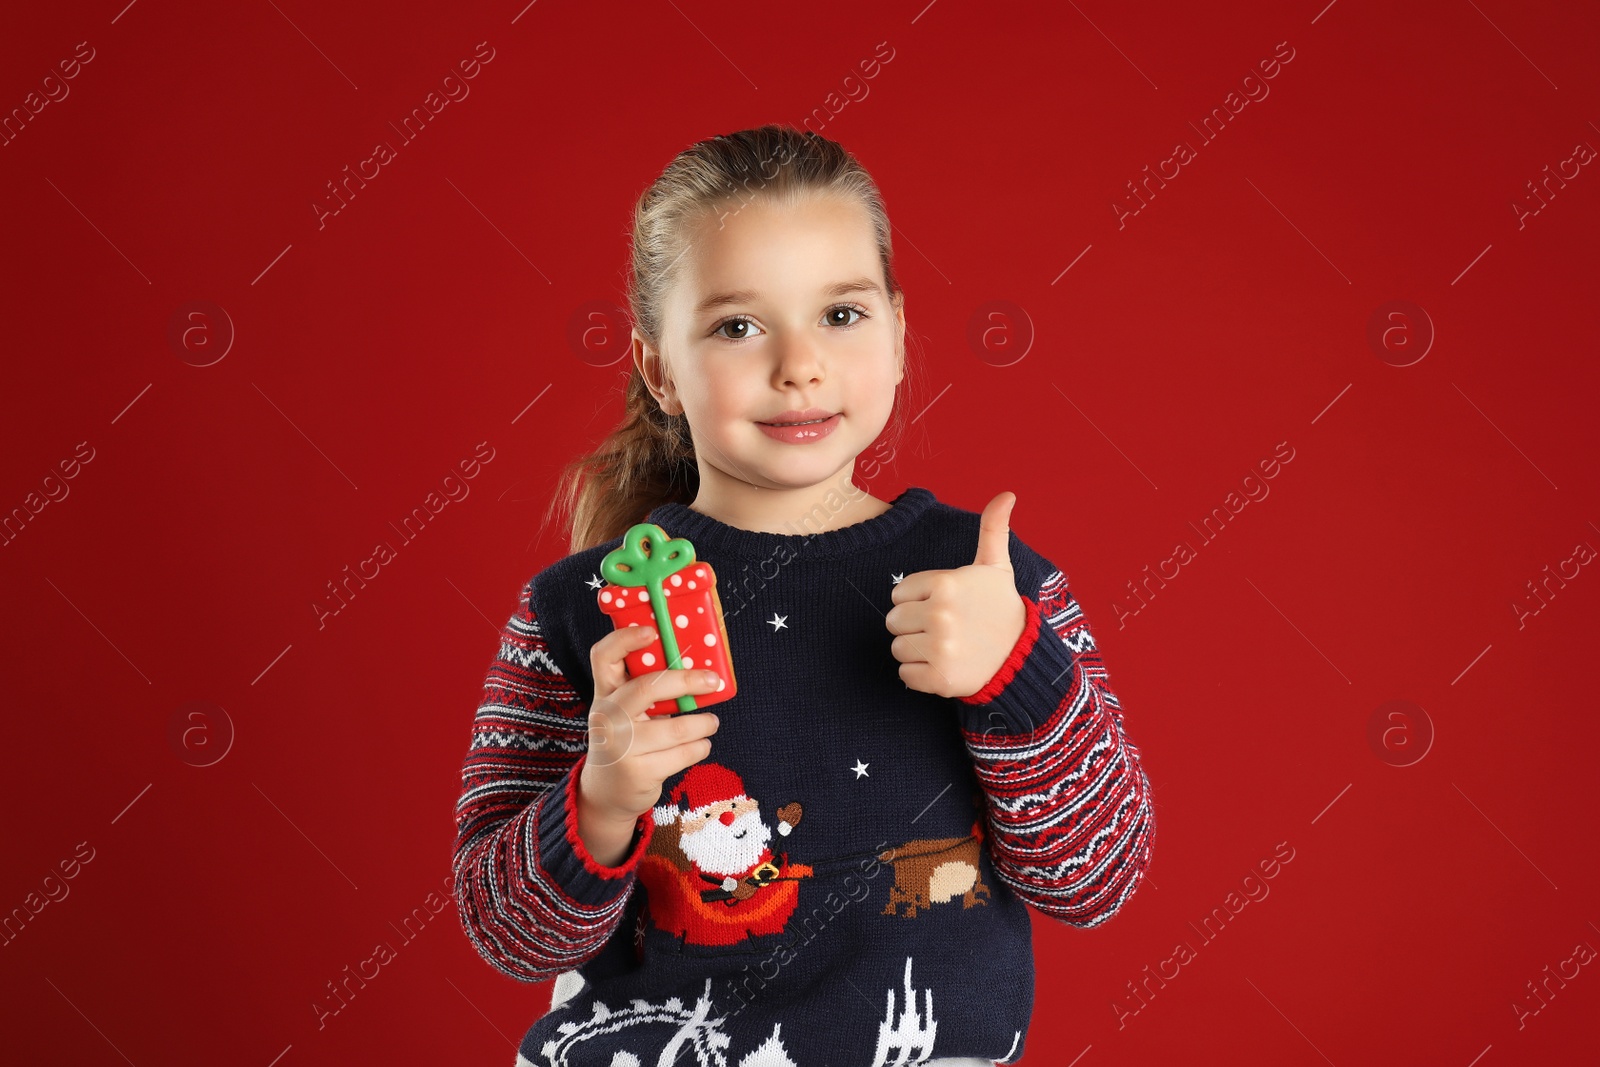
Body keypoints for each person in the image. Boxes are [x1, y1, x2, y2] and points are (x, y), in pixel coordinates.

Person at [451, 124, 1156, 1067]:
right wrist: (599, 800)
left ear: (901, 335)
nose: (799, 365)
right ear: (659, 366)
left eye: (841, 314)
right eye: (738, 326)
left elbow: (1096, 879)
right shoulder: (572, 613)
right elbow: (508, 937)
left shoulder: (994, 583)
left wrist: (1016, 677)